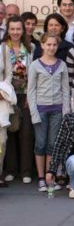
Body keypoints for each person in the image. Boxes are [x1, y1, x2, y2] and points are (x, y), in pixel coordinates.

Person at [27, 33, 70, 192]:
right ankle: (40, 178)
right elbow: (31, 91)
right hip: (40, 109)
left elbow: (66, 91)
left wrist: (66, 112)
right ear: (42, 45)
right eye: (48, 44)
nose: (51, 47)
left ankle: (49, 176)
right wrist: (34, 113)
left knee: (53, 144)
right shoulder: (35, 65)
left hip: (57, 110)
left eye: (54, 45)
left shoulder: (62, 65)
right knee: (40, 143)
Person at [3, 16, 35, 184]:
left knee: (26, 132)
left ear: (23, 30)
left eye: (18, 29)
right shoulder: (2, 48)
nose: (15, 32)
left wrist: (32, 95)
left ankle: (26, 171)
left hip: (25, 95)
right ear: (7, 30)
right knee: (10, 131)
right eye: (12, 29)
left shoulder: (31, 48)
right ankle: (10, 169)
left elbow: (34, 74)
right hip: (6, 95)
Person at [0, 30, 12, 187]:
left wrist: (3, 91)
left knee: (1, 141)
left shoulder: (4, 49)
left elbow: (9, 75)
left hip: (1, 100)